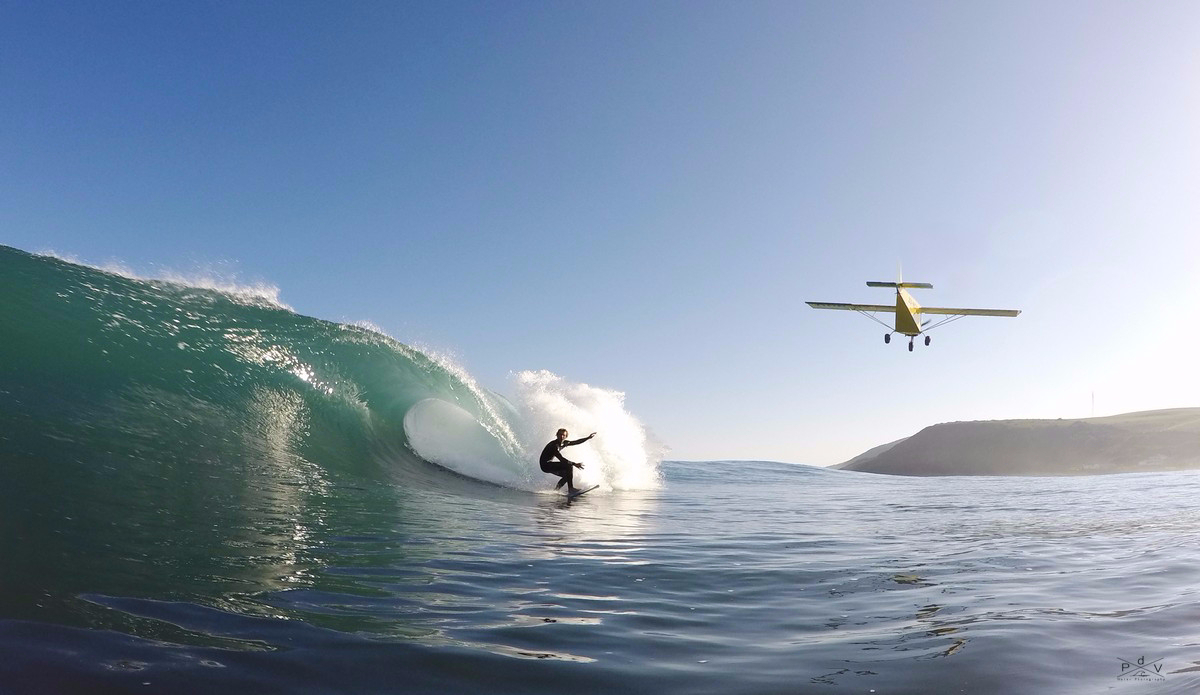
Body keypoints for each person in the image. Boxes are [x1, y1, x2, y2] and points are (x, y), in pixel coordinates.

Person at [540, 428, 595, 494]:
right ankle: (571, 489)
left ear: (566, 436)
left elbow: (576, 442)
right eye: (560, 434)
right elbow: (561, 459)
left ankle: (555, 491)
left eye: (563, 435)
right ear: (556, 435)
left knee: (567, 475)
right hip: (545, 465)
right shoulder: (553, 445)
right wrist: (574, 464)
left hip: (549, 464)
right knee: (569, 466)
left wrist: (588, 437)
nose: (561, 436)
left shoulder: (564, 443)